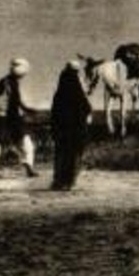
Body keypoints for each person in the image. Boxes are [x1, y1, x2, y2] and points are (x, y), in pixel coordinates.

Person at [49, 59, 92, 191]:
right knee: (74, 155)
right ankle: (69, 182)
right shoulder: (77, 89)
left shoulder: (60, 90)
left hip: (62, 130)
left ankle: (58, 181)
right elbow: (86, 107)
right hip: (76, 130)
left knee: (61, 155)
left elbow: (54, 111)